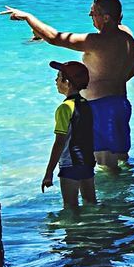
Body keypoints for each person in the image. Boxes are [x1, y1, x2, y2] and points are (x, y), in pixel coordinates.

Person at [3, 0, 134, 172]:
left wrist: (28, 17)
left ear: (106, 17)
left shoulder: (96, 42)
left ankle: (110, 200)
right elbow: (130, 73)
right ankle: (129, 198)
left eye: (93, 14)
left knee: (107, 167)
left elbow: (54, 37)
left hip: (101, 109)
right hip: (121, 104)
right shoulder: (127, 36)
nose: (91, 18)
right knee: (122, 160)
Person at [43, 60, 96, 209]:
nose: (56, 80)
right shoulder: (86, 104)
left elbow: (60, 142)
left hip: (70, 164)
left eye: (59, 76)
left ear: (67, 82)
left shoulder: (65, 108)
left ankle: (74, 233)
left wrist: (49, 173)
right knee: (90, 203)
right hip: (87, 161)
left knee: (70, 207)